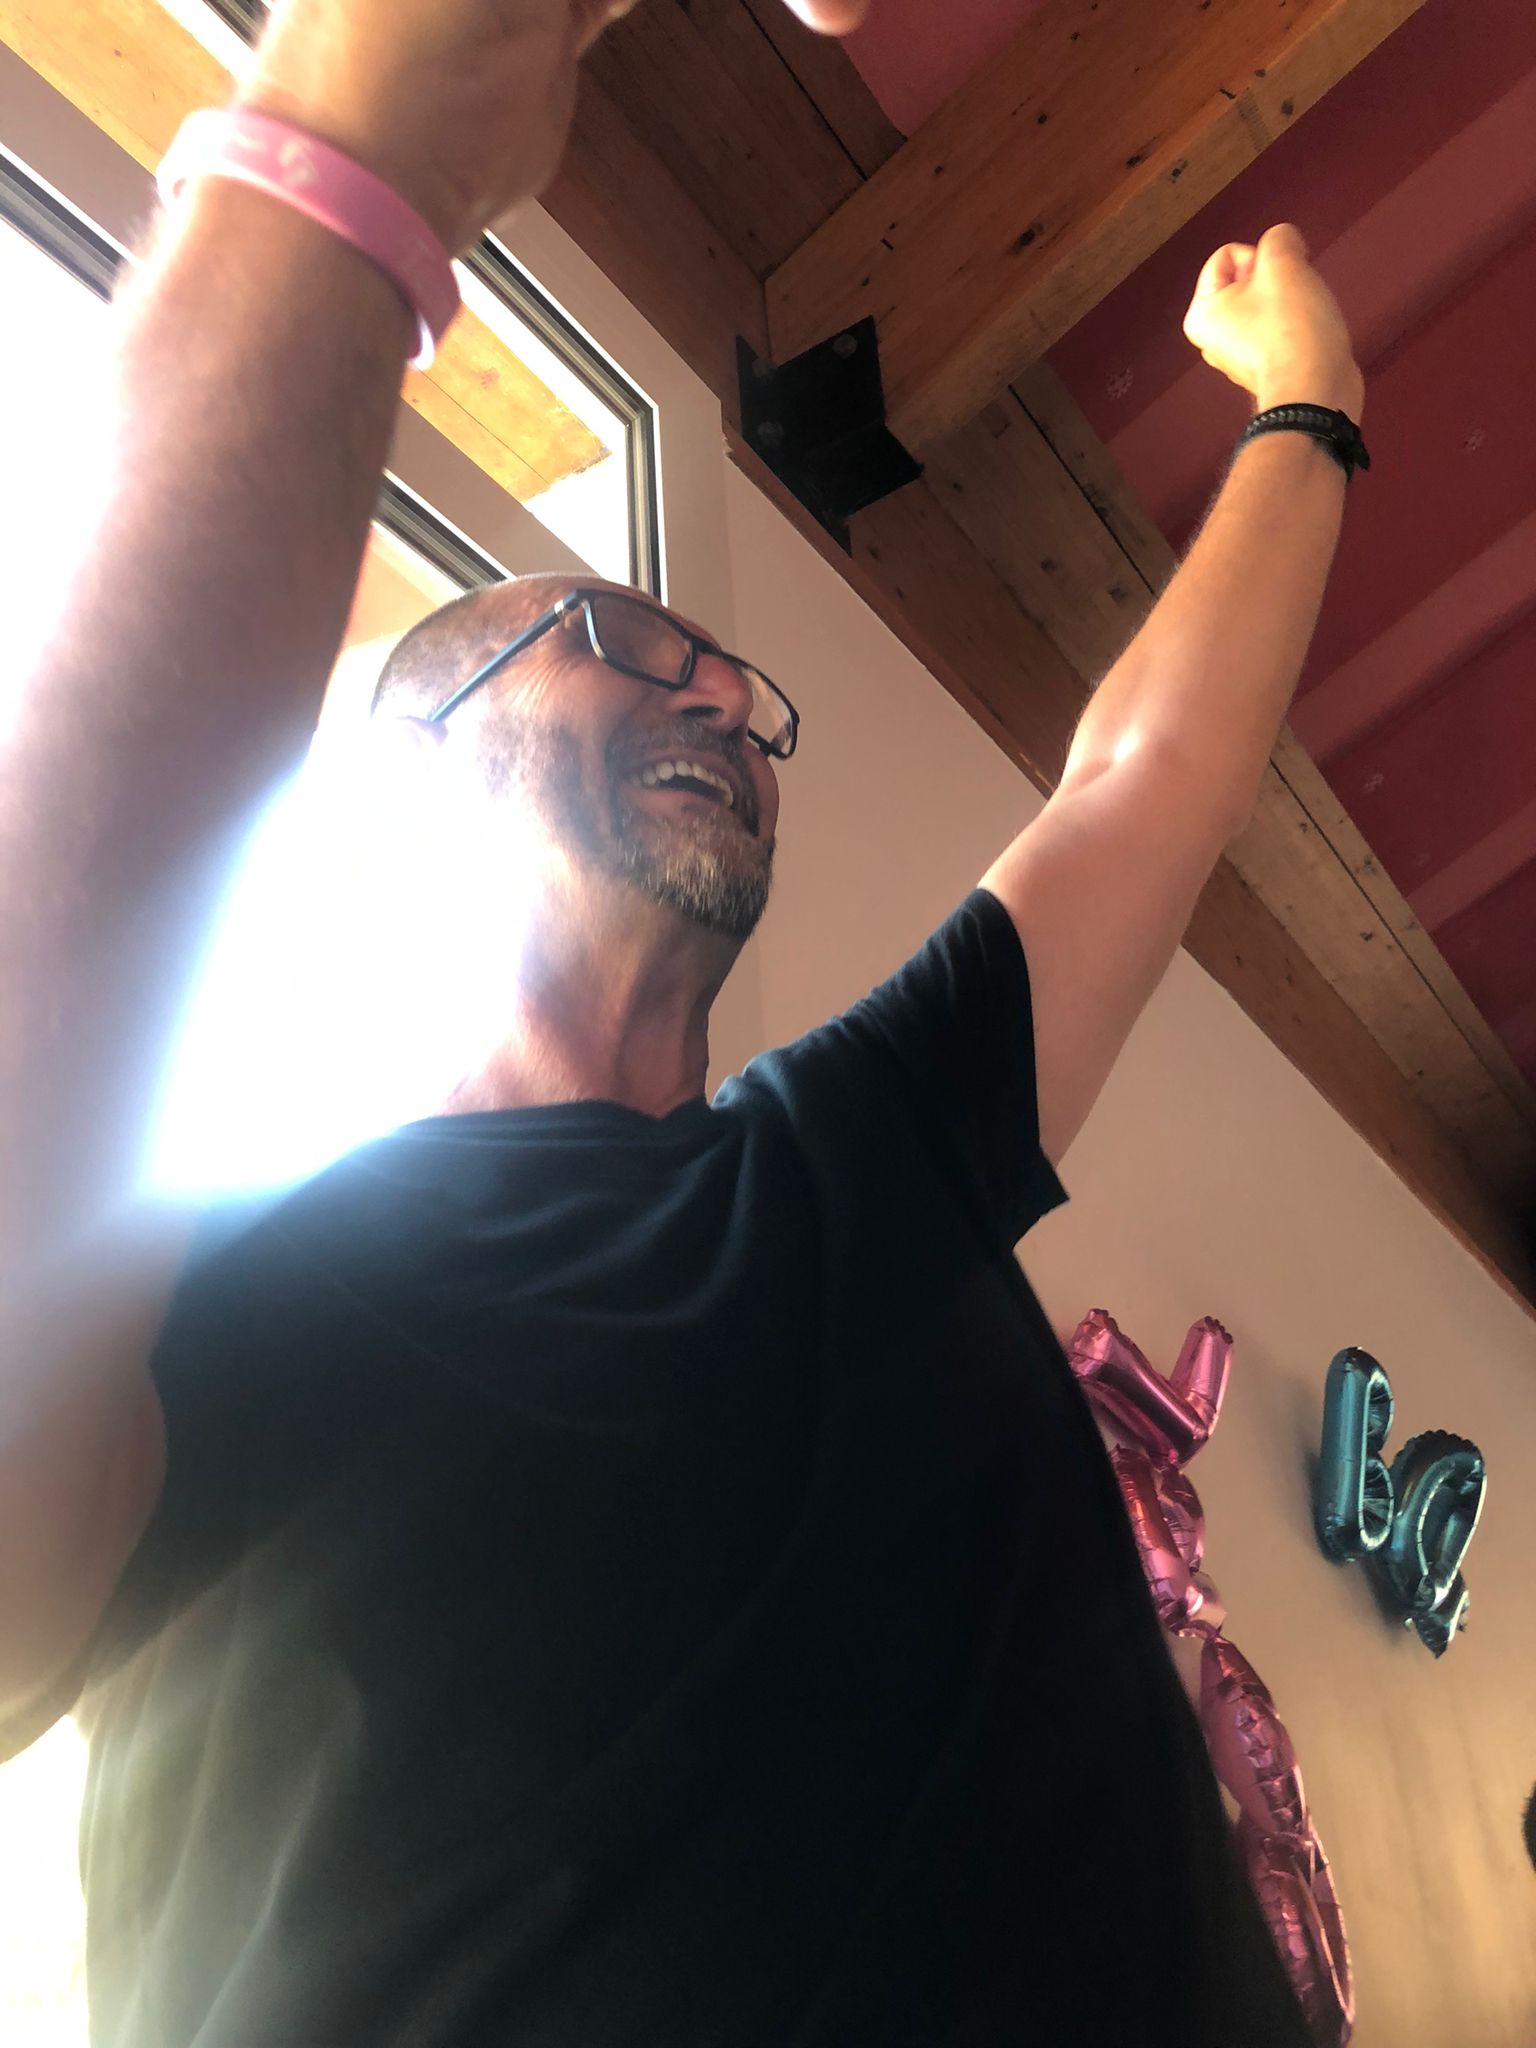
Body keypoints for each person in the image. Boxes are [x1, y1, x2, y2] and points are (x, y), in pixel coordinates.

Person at [0, 0, 1369, 2041]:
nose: (724, 694)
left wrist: (1311, 406)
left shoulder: (868, 1145)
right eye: (622, 645)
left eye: (735, 685)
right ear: (408, 774)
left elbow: (1141, 783)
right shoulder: (189, 1297)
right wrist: (358, 146)